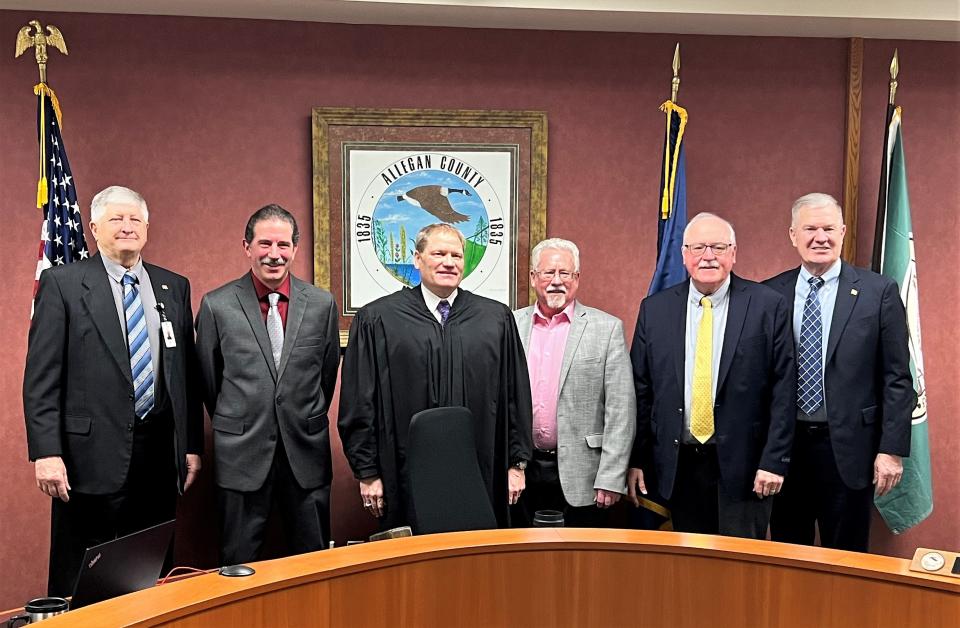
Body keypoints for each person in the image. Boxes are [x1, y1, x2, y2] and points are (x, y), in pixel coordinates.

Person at [24, 185, 202, 596]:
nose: (127, 227)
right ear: (94, 227)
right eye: (116, 219)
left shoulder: (172, 287)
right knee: (81, 578)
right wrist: (46, 452)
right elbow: (41, 377)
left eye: (135, 219)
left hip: (157, 459)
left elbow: (184, 376)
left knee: (151, 574)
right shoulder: (64, 284)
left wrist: (191, 445)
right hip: (86, 461)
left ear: (147, 228)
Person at [339, 223, 533, 531]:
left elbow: (515, 397)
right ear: (417, 259)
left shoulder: (495, 319)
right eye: (438, 253)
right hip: (403, 475)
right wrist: (367, 472)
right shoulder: (378, 319)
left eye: (456, 255)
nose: (448, 262)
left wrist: (516, 464)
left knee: (479, 564)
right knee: (412, 569)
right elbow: (358, 402)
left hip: (482, 471)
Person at [627, 212, 795, 538]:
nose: (708, 256)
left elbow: (783, 391)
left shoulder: (767, 306)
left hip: (747, 468)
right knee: (688, 572)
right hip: (678, 465)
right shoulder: (655, 309)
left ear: (733, 253)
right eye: (699, 247)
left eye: (718, 247)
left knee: (741, 572)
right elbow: (642, 391)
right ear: (684, 255)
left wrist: (774, 461)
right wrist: (638, 459)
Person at [764, 193, 912, 551]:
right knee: (787, 554)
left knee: (847, 560)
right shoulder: (768, 294)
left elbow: (897, 378)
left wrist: (890, 450)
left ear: (843, 232)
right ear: (792, 235)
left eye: (829, 228)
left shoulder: (879, 292)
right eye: (810, 228)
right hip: (785, 449)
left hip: (850, 450)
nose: (821, 237)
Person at [195, 204, 340, 565]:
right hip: (241, 454)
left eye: (282, 245)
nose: (274, 255)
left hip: (305, 454)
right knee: (237, 565)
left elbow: (326, 374)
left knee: (314, 565)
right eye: (264, 244)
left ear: (295, 248)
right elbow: (209, 381)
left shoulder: (322, 304)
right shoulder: (217, 305)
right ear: (247, 246)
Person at [512, 238, 636, 526]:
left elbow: (621, 410)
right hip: (523, 470)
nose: (557, 281)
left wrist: (611, 475)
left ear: (577, 278)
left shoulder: (606, 329)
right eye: (548, 273)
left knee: (578, 567)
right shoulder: (511, 325)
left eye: (565, 273)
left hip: (585, 474)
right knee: (522, 563)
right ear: (533, 278)